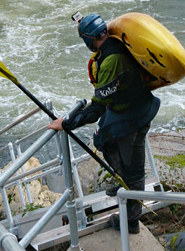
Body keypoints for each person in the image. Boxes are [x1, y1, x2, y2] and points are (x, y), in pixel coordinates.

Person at [47, 13, 160, 235]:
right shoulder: (115, 42)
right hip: (132, 108)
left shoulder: (111, 61)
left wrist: (68, 123)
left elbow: (97, 107)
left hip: (131, 119)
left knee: (133, 171)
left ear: (90, 41)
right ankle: (123, 183)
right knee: (103, 141)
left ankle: (131, 222)